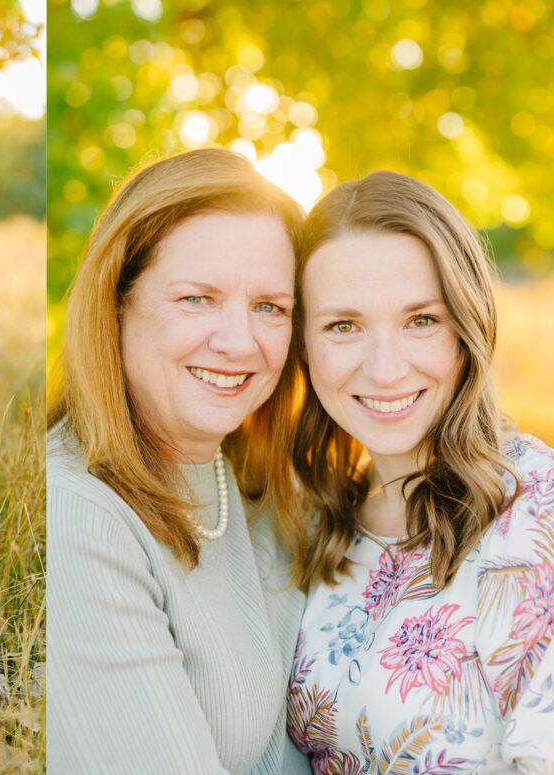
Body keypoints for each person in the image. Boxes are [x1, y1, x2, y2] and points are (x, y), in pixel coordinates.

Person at [47, 147, 312, 774]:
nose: (238, 342)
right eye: (197, 298)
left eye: (269, 307)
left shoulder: (262, 485)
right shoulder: (80, 514)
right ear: (117, 301)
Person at [288, 171, 554, 772]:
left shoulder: (534, 515)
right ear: (303, 343)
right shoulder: (319, 514)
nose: (385, 370)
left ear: (466, 328)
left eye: (421, 320)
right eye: (344, 326)